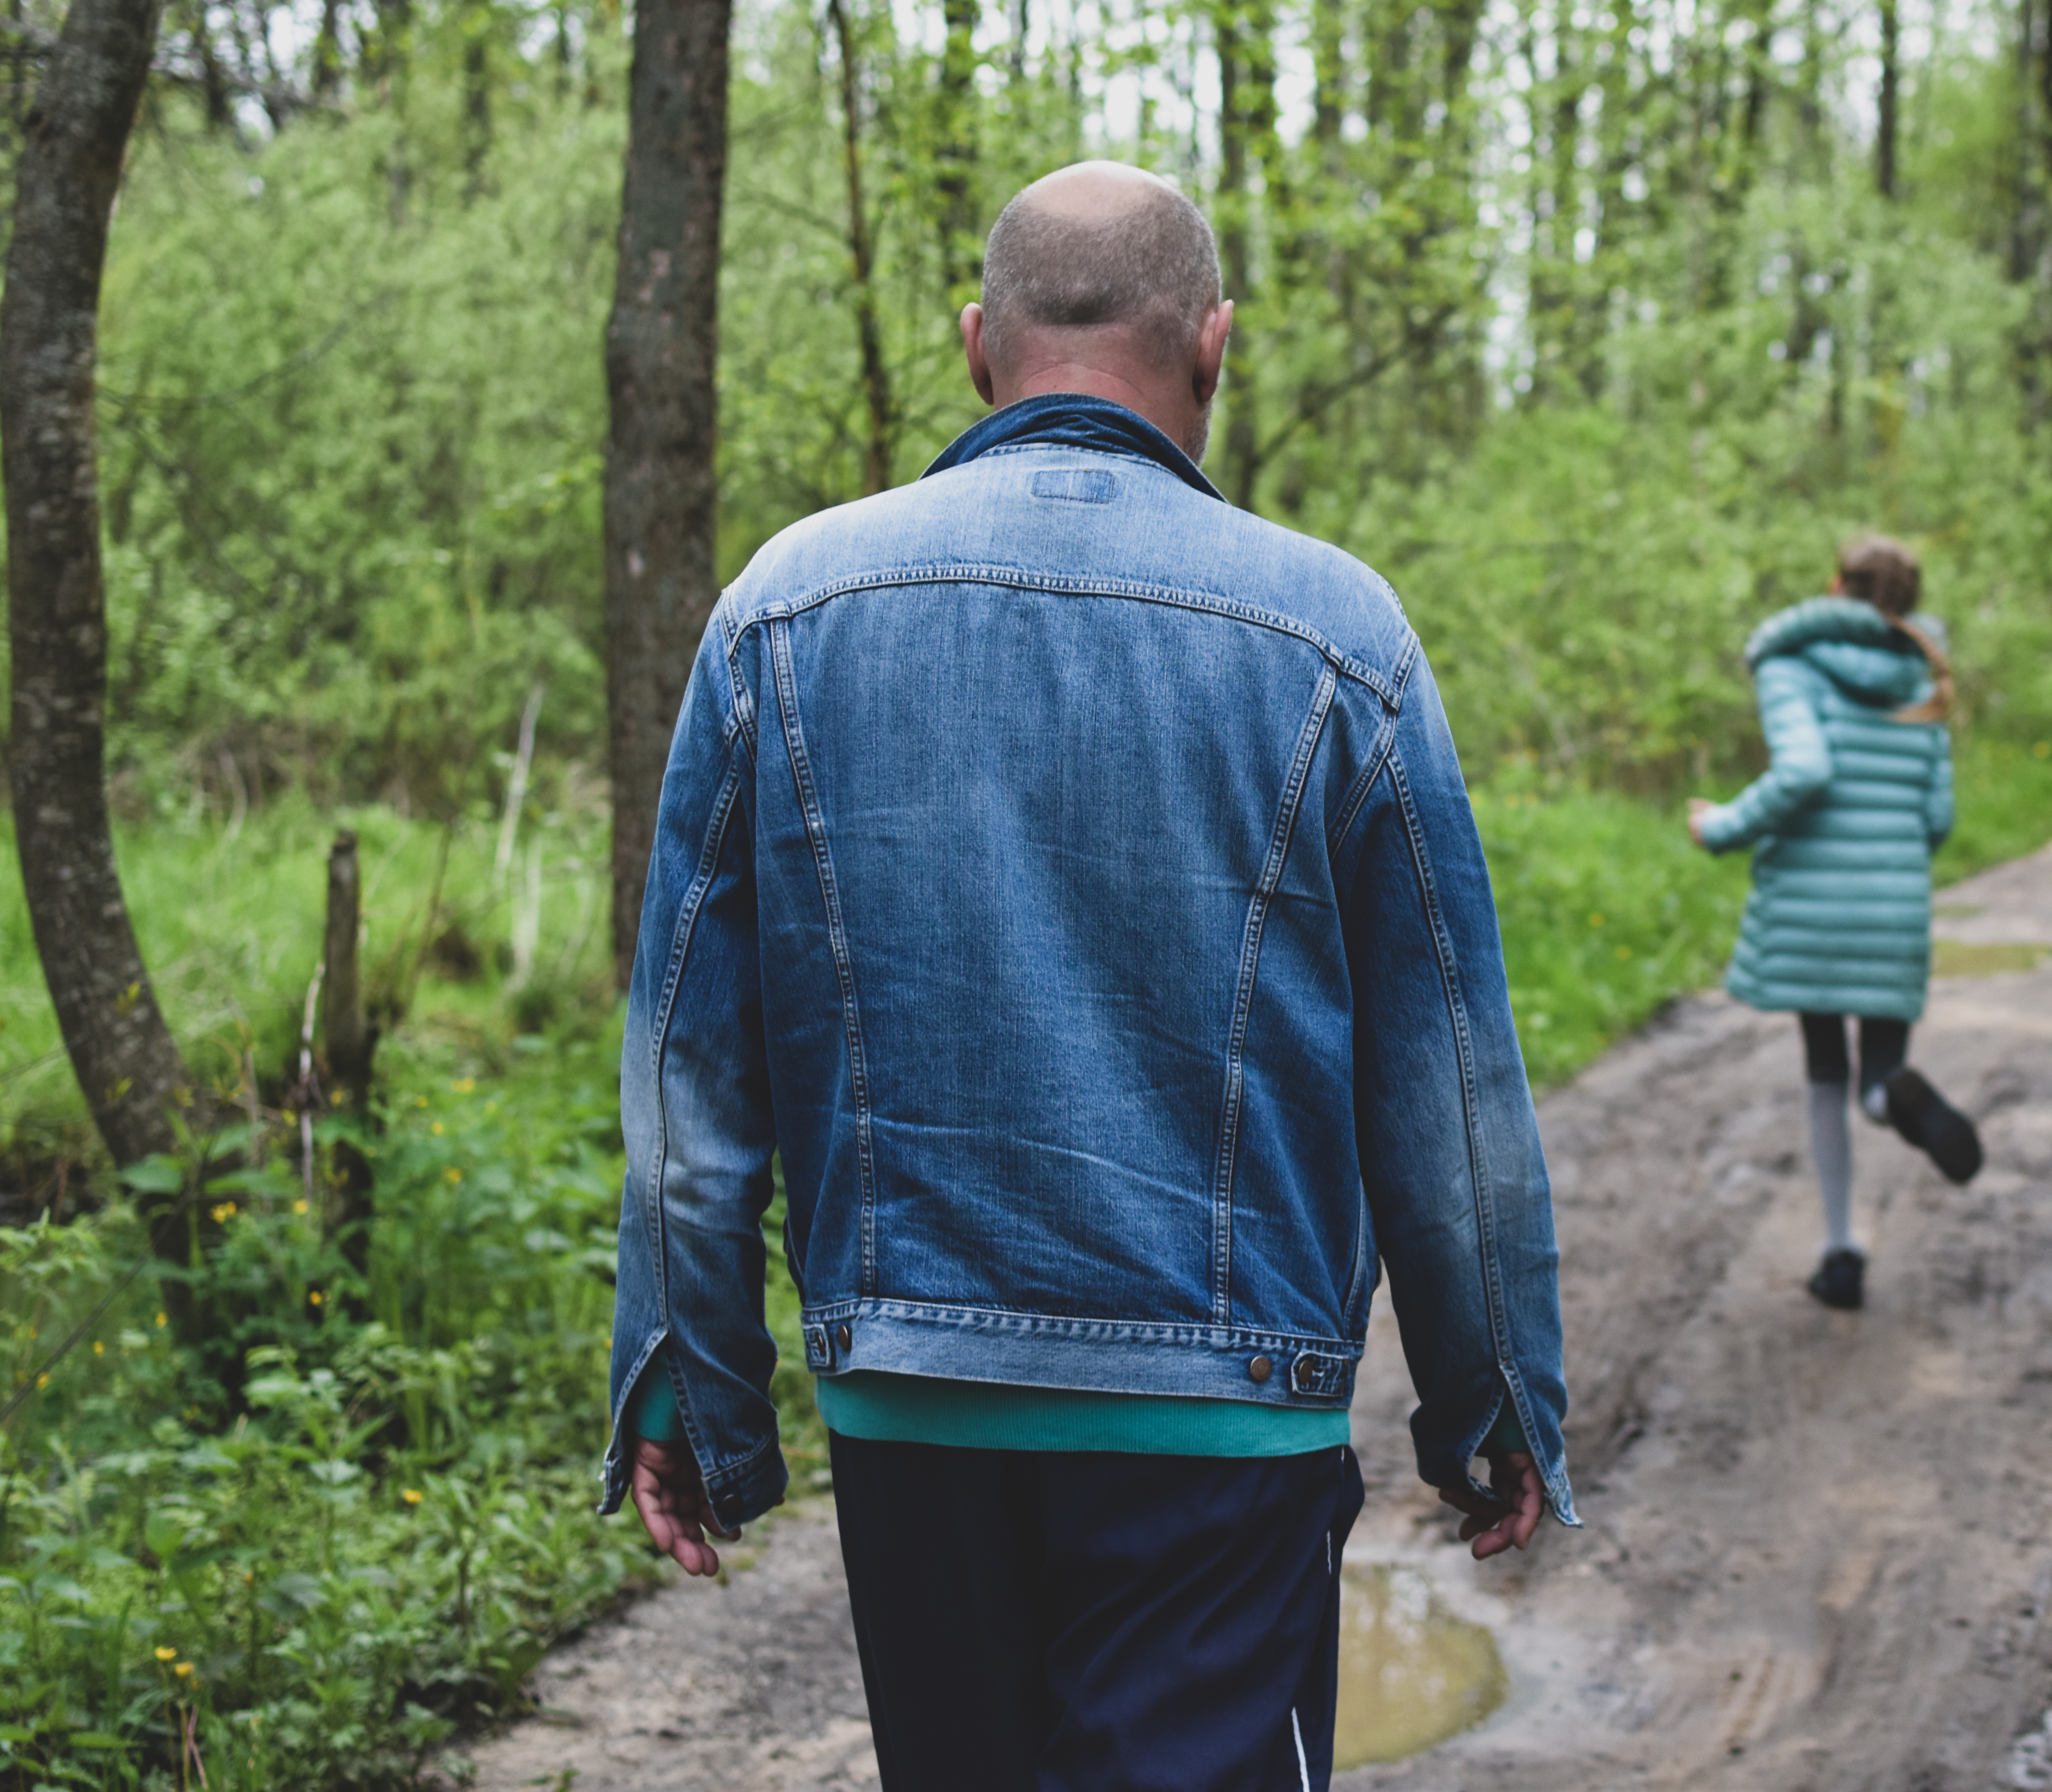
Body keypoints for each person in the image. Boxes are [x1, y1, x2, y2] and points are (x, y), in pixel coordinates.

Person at [595, 160, 1574, 1791]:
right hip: (1223, 1422)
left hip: (914, 1405)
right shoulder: (1341, 635)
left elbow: (687, 1066)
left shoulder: (782, 608)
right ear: (1214, 345)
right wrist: (1490, 1393)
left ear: (978, 345)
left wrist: (688, 1380)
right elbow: (1444, 1078)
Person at [1687, 534, 1981, 1312]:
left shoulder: (1793, 664)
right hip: (1894, 906)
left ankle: (1841, 1251)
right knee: (1876, 1080)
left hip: (1813, 910)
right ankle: (1897, 1102)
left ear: (1835, 587)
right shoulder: (1922, 677)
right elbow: (1937, 818)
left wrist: (1720, 825)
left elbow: (1805, 769)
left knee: (1825, 1070)